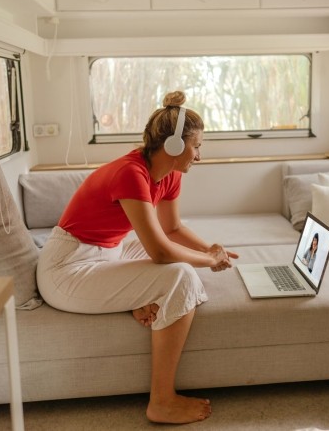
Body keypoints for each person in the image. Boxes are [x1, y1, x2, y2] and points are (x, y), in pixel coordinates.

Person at [36, 91, 238, 424]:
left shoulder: (170, 174)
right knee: (180, 274)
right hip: (68, 268)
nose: (199, 156)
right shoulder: (131, 173)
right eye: (197, 146)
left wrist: (208, 249)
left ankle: (141, 299)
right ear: (173, 147)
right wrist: (207, 262)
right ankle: (161, 401)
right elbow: (160, 252)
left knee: (173, 257)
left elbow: (171, 229)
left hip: (108, 252)